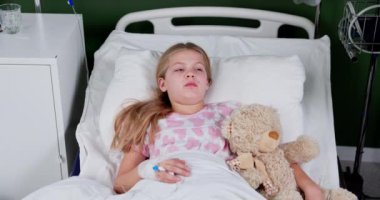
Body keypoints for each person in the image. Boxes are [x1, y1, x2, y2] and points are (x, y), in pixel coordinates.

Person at [111, 42, 324, 200]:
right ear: (163, 83)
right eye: (179, 69)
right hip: (167, 187)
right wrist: (150, 169)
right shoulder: (150, 123)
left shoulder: (230, 114)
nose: (190, 74)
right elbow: (120, 184)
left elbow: (270, 154)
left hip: (220, 183)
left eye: (198, 69)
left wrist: (309, 185)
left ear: (208, 83)